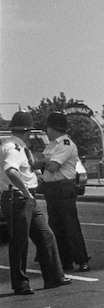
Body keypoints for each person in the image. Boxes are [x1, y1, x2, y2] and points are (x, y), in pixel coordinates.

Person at [2, 111, 70, 295]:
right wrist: (26, 192)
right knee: (20, 242)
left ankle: (54, 277)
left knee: (46, 235)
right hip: (18, 198)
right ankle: (20, 284)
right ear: (27, 130)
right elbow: (11, 171)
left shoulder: (19, 146)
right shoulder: (12, 148)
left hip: (25, 198)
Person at [41, 112, 90, 271]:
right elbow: (44, 164)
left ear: (52, 128)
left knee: (70, 225)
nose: (47, 131)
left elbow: (52, 166)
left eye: (48, 128)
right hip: (52, 189)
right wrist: (44, 162)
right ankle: (65, 261)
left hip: (63, 188)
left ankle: (82, 260)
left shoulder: (65, 144)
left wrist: (43, 162)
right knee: (56, 226)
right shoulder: (51, 145)